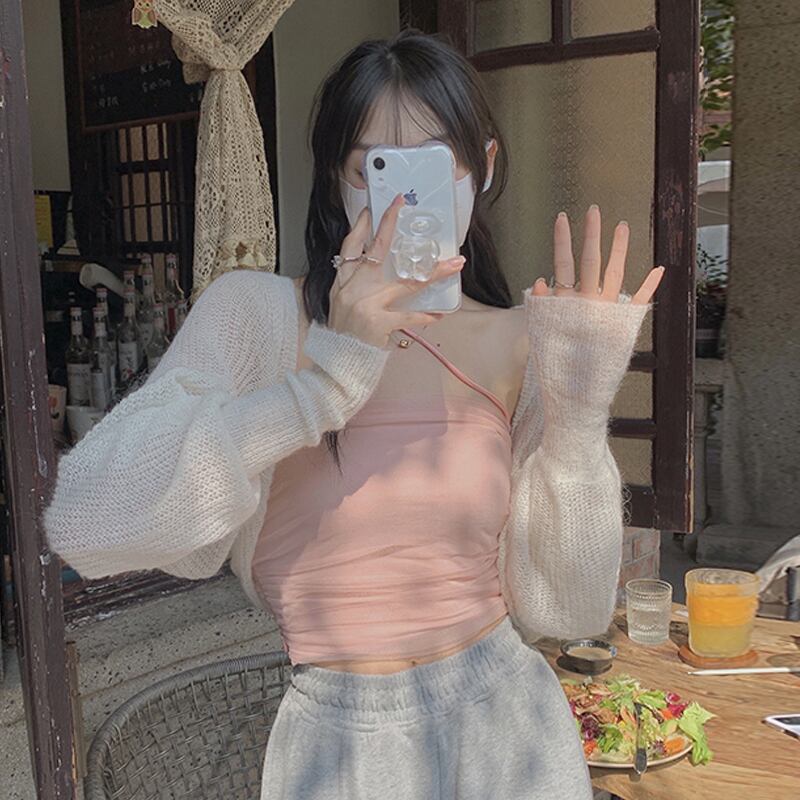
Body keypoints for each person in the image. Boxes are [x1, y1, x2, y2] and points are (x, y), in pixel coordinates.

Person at [44, 28, 663, 800]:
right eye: (375, 165)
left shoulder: (519, 340)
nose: (402, 200)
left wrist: (577, 419)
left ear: (482, 168)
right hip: (340, 747)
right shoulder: (256, 316)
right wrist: (321, 385)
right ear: (336, 176)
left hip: (509, 729)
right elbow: (87, 522)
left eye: (432, 162)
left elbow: (569, 607)